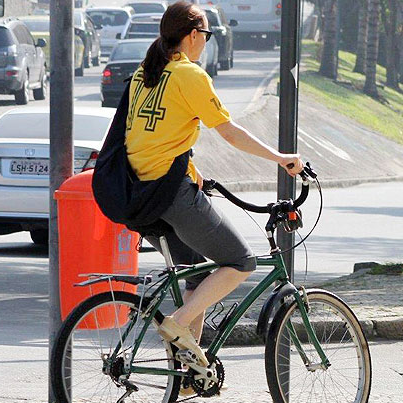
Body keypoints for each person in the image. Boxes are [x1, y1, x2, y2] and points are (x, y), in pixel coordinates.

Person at [125, 1, 303, 369]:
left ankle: (189, 372)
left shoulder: (145, 74)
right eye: (205, 34)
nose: (206, 41)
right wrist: (281, 158)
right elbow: (230, 133)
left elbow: (153, 135)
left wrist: (191, 167)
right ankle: (177, 325)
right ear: (192, 36)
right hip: (170, 194)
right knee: (240, 261)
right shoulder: (189, 75)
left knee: (198, 279)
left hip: (139, 193)